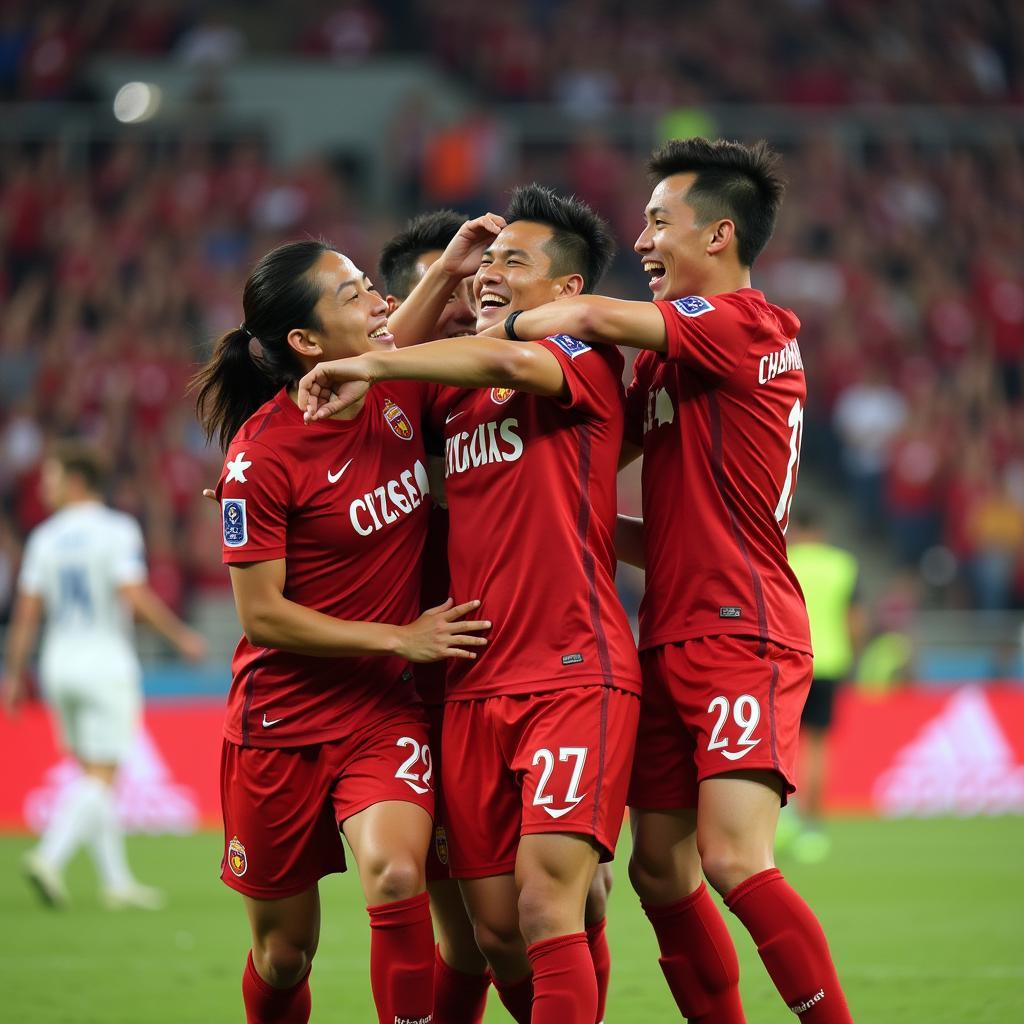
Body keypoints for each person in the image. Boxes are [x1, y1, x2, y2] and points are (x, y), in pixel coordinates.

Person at [482, 139, 855, 1022]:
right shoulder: (671, 363)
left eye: (658, 222)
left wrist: (505, 323)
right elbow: (619, 488)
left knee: (733, 859)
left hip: (741, 630)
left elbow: (596, 323)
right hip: (670, 631)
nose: (641, 239)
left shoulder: (745, 324)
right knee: (656, 867)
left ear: (719, 235)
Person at [299, 185, 642, 1024]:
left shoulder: (581, 360)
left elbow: (503, 361)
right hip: (471, 685)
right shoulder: (445, 401)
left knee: (543, 907)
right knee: (495, 935)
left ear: (568, 291)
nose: (488, 277)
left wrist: (374, 359)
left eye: (510, 263)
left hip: (572, 669)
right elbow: (364, 430)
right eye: (486, 263)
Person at [190, 239, 490, 1024]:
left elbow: (407, 341)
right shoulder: (261, 459)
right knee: (284, 957)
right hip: (279, 724)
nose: (380, 302)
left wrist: (455, 263)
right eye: (355, 294)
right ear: (306, 343)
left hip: (379, 715)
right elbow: (262, 615)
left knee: (396, 875)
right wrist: (400, 639)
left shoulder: (397, 395)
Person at [2, 441, 207, 910]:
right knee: (102, 775)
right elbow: (133, 595)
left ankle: (116, 882)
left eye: (52, 477)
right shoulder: (116, 530)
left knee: (92, 774)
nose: (46, 486)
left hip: (58, 664)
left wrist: (14, 674)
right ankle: (49, 857)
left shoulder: (44, 537)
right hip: (104, 662)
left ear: (77, 482)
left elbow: (28, 614)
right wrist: (180, 637)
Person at [783, 505, 864, 862]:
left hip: (787, 661)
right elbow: (855, 619)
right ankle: (812, 830)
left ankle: (779, 821)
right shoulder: (842, 565)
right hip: (829, 663)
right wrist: (853, 654)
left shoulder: (784, 558)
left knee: (780, 745)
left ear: (795, 528)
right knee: (817, 747)